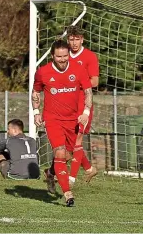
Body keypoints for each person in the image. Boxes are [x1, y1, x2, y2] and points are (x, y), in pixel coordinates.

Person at [32, 39, 93, 207]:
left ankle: (50, 173)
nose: (63, 59)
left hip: (72, 120)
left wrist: (86, 113)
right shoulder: (42, 72)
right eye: (59, 57)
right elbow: (36, 91)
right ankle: (68, 194)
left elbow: (88, 92)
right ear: (52, 56)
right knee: (59, 152)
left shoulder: (78, 69)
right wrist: (36, 113)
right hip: (52, 119)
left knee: (68, 155)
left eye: (65, 56)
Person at [44, 26, 99, 192]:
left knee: (76, 143)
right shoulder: (61, 57)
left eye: (77, 39)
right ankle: (82, 171)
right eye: (71, 39)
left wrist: (78, 82)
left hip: (82, 106)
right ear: (67, 40)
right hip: (64, 107)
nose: (74, 42)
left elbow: (95, 81)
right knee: (67, 150)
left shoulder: (89, 56)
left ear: (82, 39)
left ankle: (69, 178)